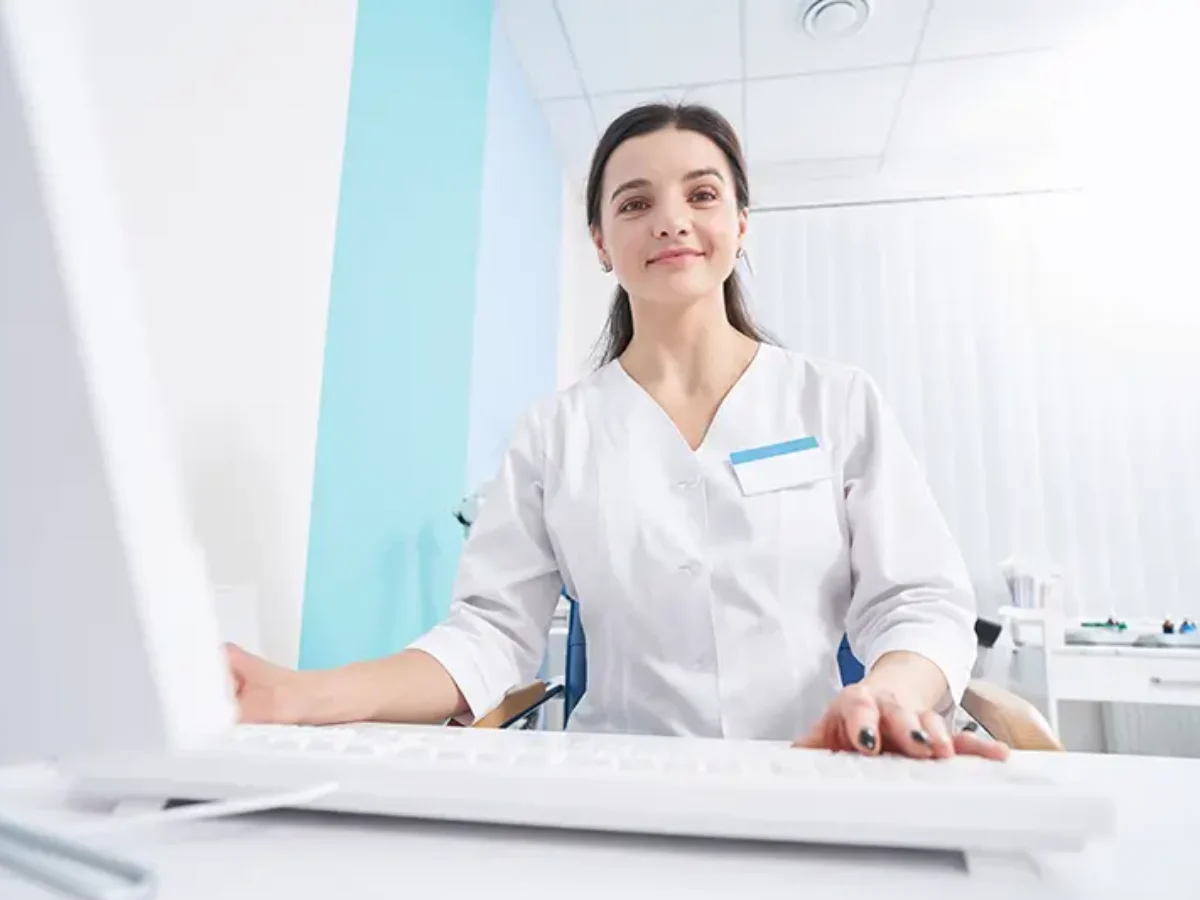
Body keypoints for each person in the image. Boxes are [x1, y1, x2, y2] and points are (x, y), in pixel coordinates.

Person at [228, 102, 1007, 762]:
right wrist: (302, 696)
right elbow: (490, 635)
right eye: (634, 203)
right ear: (601, 242)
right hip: (624, 782)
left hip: (812, 769)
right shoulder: (554, 433)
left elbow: (919, 600)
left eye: (701, 195)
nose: (671, 220)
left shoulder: (835, 401)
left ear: (741, 223)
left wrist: (888, 694)